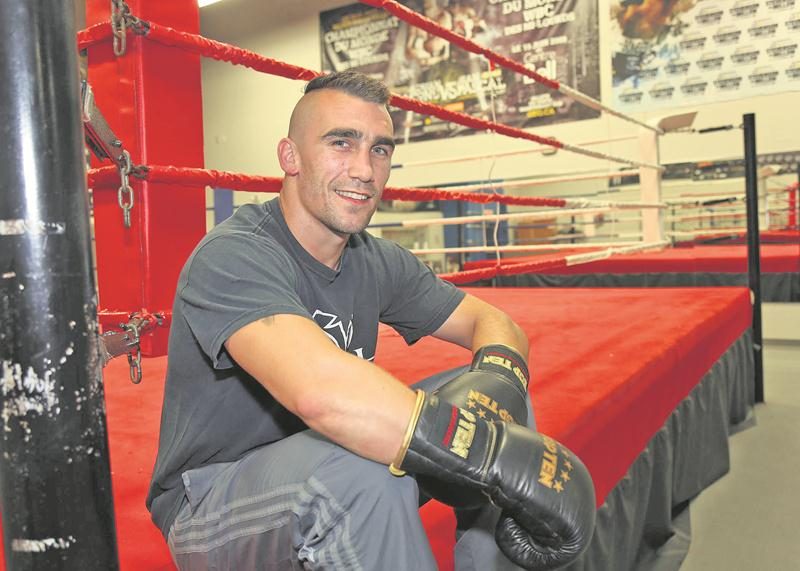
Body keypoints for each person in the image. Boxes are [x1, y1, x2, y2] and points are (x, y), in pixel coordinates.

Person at [146, 70, 594, 570]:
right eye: (341, 143)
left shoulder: (372, 259)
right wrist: (485, 451)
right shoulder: (234, 254)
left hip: (320, 459)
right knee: (365, 472)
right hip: (212, 504)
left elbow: (492, 323)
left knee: (495, 402)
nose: (364, 169)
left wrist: (497, 388)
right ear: (290, 157)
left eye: (379, 150)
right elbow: (318, 391)